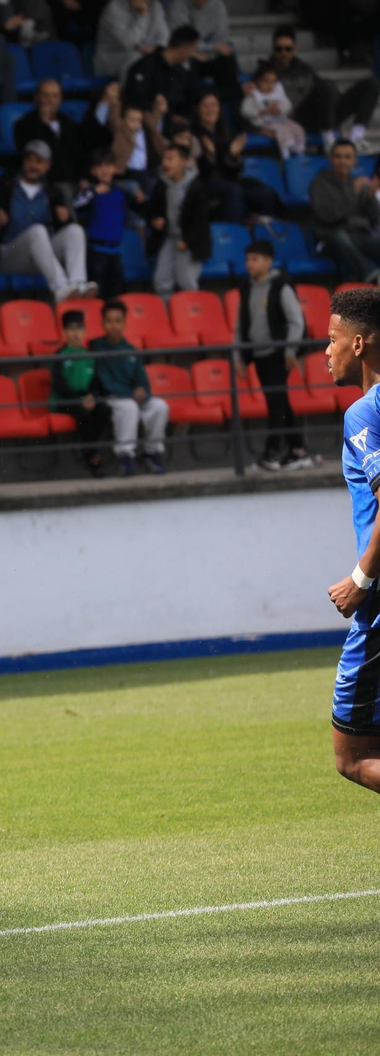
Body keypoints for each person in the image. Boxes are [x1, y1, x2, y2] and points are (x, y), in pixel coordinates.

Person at [323, 287, 380, 790]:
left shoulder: (364, 414)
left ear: (358, 344)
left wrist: (362, 579)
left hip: (379, 605)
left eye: (332, 339)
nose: (326, 351)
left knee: (354, 758)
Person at [237, 239, 311, 473]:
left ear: (269, 262)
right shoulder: (247, 287)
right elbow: (241, 324)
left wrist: (290, 350)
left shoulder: (281, 285)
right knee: (280, 402)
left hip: (278, 355)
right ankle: (298, 450)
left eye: (255, 259)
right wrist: (238, 355)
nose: (250, 264)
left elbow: (296, 320)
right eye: (247, 259)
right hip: (259, 355)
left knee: (275, 404)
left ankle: (271, 454)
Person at [0, 140, 89, 303]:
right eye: (29, 160)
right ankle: (60, 288)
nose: (33, 166)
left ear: (48, 165)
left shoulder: (53, 192)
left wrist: (64, 220)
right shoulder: (4, 185)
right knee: (37, 231)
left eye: (39, 161)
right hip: (12, 252)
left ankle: (78, 285)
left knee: (75, 230)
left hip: (43, 258)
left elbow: (63, 226)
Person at [267, 26, 380, 151]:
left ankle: (356, 137)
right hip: (297, 118)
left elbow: (324, 91)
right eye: (279, 49)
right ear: (273, 49)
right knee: (326, 85)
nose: (284, 53)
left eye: (288, 49)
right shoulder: (265, 72)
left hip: (321, 113)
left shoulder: (304, 68)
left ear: (294, 48)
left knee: (371, 84)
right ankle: (329, 140)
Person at [91, 300, 167, 476]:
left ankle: (151, 452)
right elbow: (105, 381)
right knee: (129, 406)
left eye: (118, 321)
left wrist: (142, 390)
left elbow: (142, 380)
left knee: (159, 406)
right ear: (102, 323)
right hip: (111, 397)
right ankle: (125, 457)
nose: (114, 325)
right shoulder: (96, 347)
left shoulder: (131, 349)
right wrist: (133, 395)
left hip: (132, 396)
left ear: (125, 323)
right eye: (109, 321)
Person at [192, 92, 279, 224]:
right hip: (203, 183)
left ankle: (266, 232)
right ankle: (235, 234)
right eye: (205, 106)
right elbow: (200, 172)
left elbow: (234, 172)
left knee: (264, 193)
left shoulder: (226, 133)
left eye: (213, 105)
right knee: (233, 190)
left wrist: (233, 156)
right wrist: (210, 155)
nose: (210, 110)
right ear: (198, 110)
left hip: (226, 181)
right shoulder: (192, 135)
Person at [49, 309, 109, 477]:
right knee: (82, 415)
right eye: (71, 329)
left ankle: (91, 450)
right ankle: (93, 457)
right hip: (64, 400)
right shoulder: (60, 356)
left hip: (86, 399)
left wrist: (91, 397)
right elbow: (60, 386)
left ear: (85, 331)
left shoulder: (90, 355)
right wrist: (80, 399)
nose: (75, 333)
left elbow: (95, 382)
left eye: (79, 328)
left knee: (104, 410)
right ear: (64, 332)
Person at [311, 140, 380, 284]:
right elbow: (327, 217)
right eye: (338, 156)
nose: (342, 161)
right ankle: (373, 277)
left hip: (357, 235)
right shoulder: (318, 183)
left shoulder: (359, 183)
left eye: (347, 157)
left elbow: (375, 219)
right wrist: (354, 195)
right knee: (340, 237)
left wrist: (371, 198)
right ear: (330, 159)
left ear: (354, 161)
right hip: (328, 239)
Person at [145, 142, 208, 299]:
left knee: (186, 281)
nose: (165, 163)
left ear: (183, 162)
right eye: (164, 159)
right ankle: (166, 315)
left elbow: (200, 221)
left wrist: (188, 241)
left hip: (187, 241)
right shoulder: (161, 184)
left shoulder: (196, 187)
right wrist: (154, 220)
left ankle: (191, 316)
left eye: (170, 159)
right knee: (161, 279)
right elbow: (151, 210)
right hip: (169, 238)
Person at [73, 148, 134, 299]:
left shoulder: (121, 192)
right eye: (100, 167)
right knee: (96, 294)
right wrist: (93, 192)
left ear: (115, 168)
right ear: (93, 171)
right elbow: (76, 205)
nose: (105, 170)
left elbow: (141, 206)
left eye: (108, 165)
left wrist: (141, 199)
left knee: (115, 294)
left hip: (116, 251)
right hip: (96, 251)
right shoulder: (89, 192)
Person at [13, 79, 82, 187]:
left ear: (60, 99)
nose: (50, 100)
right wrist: (44, 123)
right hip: (42, 183)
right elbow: (33, 155)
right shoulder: (24, 125)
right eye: (45, 95)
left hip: (71, 181)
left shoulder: (69, 125)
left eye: (55, 96)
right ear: (36, 98)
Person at [121, 26, 200, 119]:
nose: (193, 54)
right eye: (194, 49)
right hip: (141, 123)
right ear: (186, 47)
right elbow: (134, 98)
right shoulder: (146, 65)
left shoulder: (180, 72)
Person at [241, 61, 306, 162]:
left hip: (280, 120)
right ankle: (286, 153)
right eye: (265, 81)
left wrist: (279, 110)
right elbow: (244, 110)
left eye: (272, 82)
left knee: (297, 127)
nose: (269, 85)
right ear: (258, 81)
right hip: (265, 123)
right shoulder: (253, 95)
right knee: (281, 130)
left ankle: (300, 150)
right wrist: (260, 112)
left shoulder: (277, 93)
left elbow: (288, 105)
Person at [92, 0, 168, 79]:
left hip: (145, 54)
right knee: (136, 58)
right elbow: (129, 42)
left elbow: (163, 36)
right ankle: (133, 91)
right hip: (111, 59)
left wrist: (156, 50)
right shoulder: (114, 8)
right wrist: (142, 15)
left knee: (166, 57)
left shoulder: (155, 5)